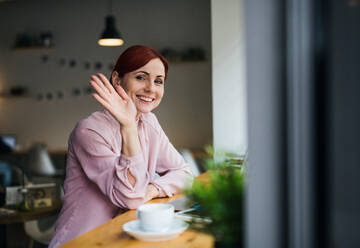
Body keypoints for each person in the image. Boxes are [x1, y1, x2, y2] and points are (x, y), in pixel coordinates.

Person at [49, 45, 193, 247]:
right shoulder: (89, 131)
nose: (151, 88)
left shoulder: (149, 122)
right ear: (117, 80)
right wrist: (128, 127)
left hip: (124, 238)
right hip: (82, 241)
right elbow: (131, 198)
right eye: (141, 77)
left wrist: (152, 189)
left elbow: (184, 173)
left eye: (158, 81)